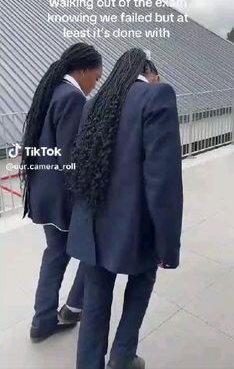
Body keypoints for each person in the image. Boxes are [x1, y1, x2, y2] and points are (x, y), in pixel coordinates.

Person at [67, 48, 183, 369]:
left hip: (93, 224)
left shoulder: (95, 104)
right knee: (141, 284)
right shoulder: (157, 95)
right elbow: (164, 182)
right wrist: (168, 245)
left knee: (95, 302)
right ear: (151, 73)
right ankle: (122, 357)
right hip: (136, 226)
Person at [20, 42, 102, 342]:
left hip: (44, 191)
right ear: (81, 71)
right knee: (94, 251)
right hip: (61, 197)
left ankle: (42, 321)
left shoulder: (54, 91)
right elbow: (71, 157)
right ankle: (71, 309)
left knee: (55, 255)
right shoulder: (72, 98)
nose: (94, 86)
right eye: (95, 77)